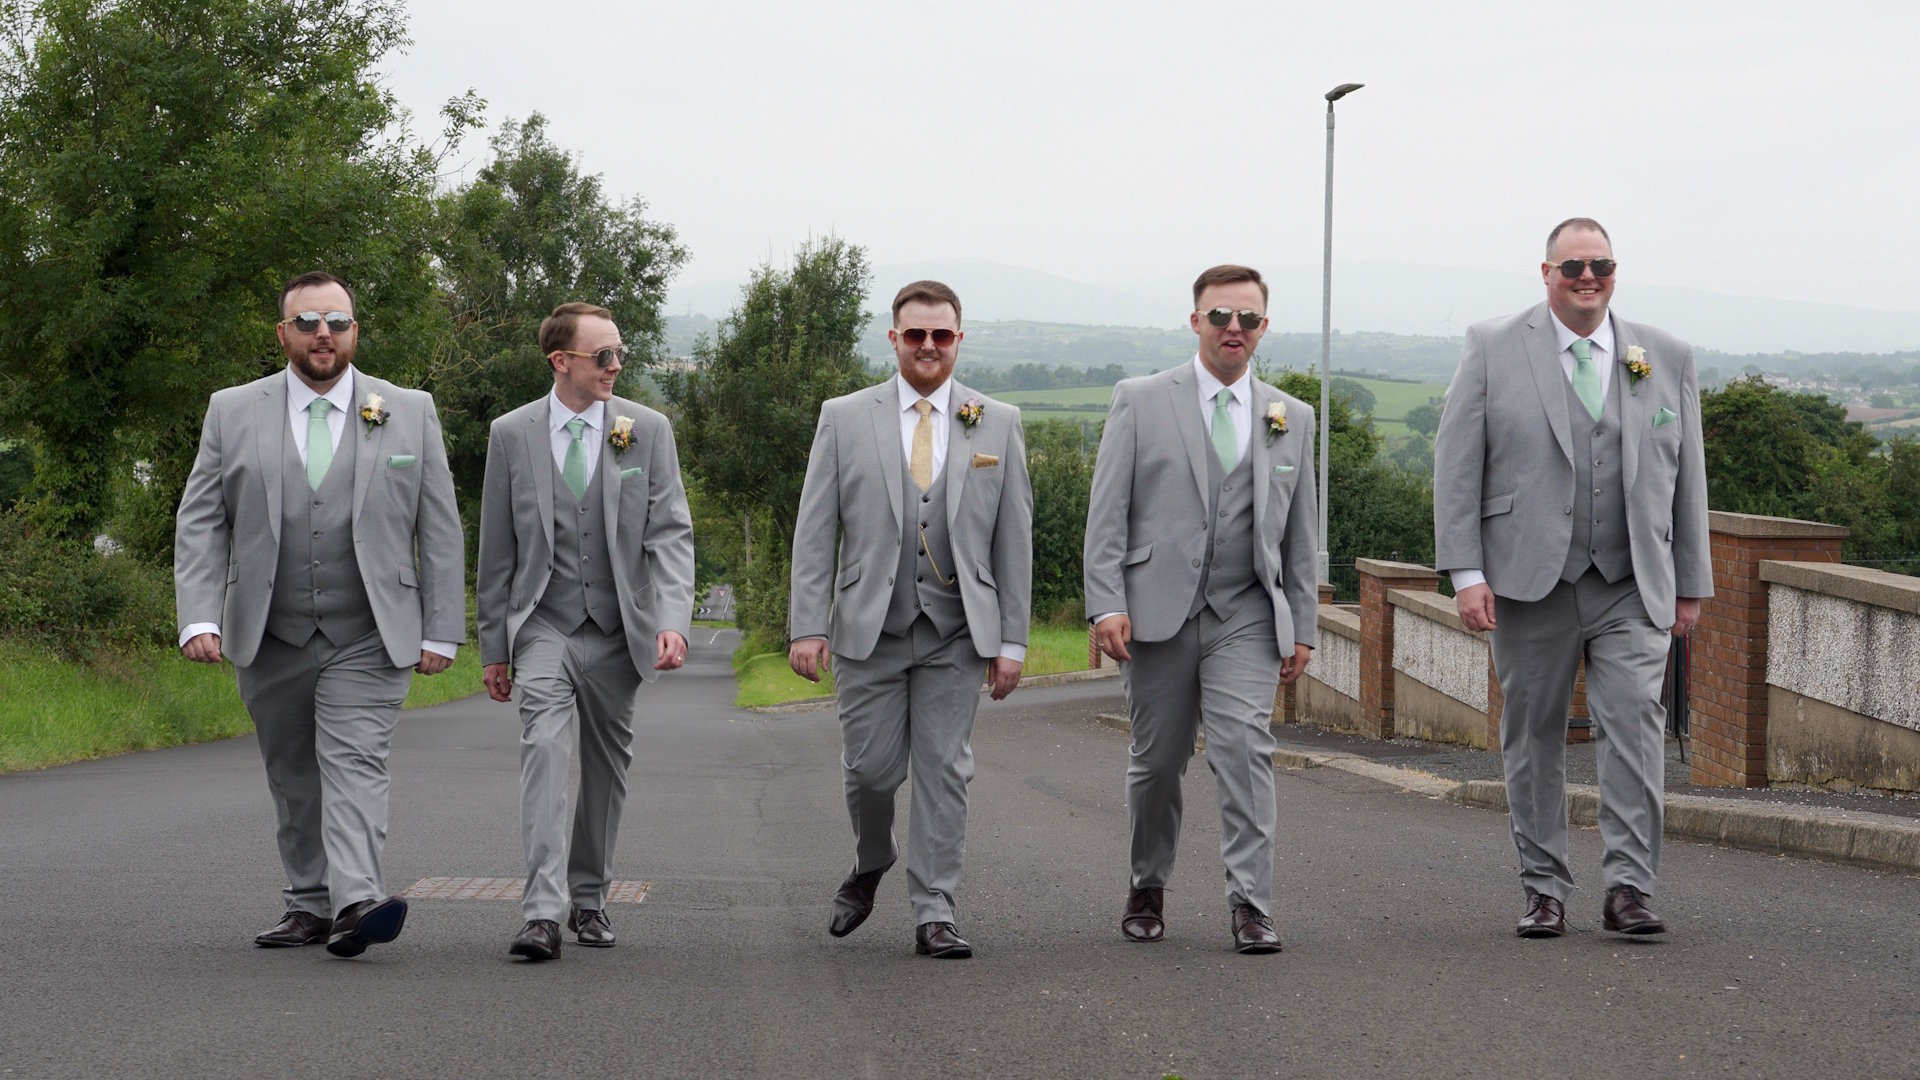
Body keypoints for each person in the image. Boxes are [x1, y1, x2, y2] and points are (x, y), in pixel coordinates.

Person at [1432, 218, 1711, 938]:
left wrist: (1691, 583)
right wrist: (1466, 571)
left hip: (1630, 579)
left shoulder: (1665, 354)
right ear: (1547, 272)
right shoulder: (1493, 346)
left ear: (1615, 272)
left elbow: (1688, 478)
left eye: (1602, 265)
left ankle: (1628, 889)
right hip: (1530, 580)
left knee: (1636, 731)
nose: (1589, 277)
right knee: (1532, 735)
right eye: (1573, 266)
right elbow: (1457, 463)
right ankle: (1545, 888)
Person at [175, 270, 465, 957]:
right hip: (268, 626)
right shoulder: (232, 409)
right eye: (307, 323)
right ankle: (308, 904)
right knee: (293, 771)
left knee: (355, 760)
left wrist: (442, 627)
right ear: (284, 335)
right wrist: (198, 615)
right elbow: (201, 521)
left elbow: (441, 526)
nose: (323, 334)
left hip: (370, 628)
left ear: (355, 331)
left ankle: (357, 899)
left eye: (336, 321)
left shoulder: (409, 409)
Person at [788, 280, 1033, 959]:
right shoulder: (843, 416)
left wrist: (1011, 640)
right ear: (893, 338)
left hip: (957, 632)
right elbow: (815, 532)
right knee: (871, 773)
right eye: (916, 334)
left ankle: (935, 909)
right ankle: (872, 859)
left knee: (945, 769)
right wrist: (806, 624)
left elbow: (1015, 540)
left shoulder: (998, 421)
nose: (929, 346)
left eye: (942, 335)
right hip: (869, 627)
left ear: (959, 340)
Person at [1084, 264, 1319, 954]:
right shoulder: (1142, 399)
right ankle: (1147, 882)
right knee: (1157, 760)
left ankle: (1251, 902)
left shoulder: (1290, 416)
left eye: (1248, 318)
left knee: (1244, 747)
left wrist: (1300, 624)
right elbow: (1108, 516)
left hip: (1245, 609)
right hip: (1156, 609)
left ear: (1264, 327)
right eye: (1220, 316)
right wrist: (1106, 604)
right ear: (1196, 322)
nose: (1234, 329)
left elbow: (1302, 534)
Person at [476, 302, 695, 961]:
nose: (616, 365)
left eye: (620, 353)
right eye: (603, 356)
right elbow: (497, 549)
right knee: (544, 750)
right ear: (561, 361)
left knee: (606, 767)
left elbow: (671, 533)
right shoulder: (511, 434)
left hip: (619, 629)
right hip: (544, 624)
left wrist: (672, 620)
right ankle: (541, 913)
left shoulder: (646, 430)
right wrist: (494, 647)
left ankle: (590, 898)